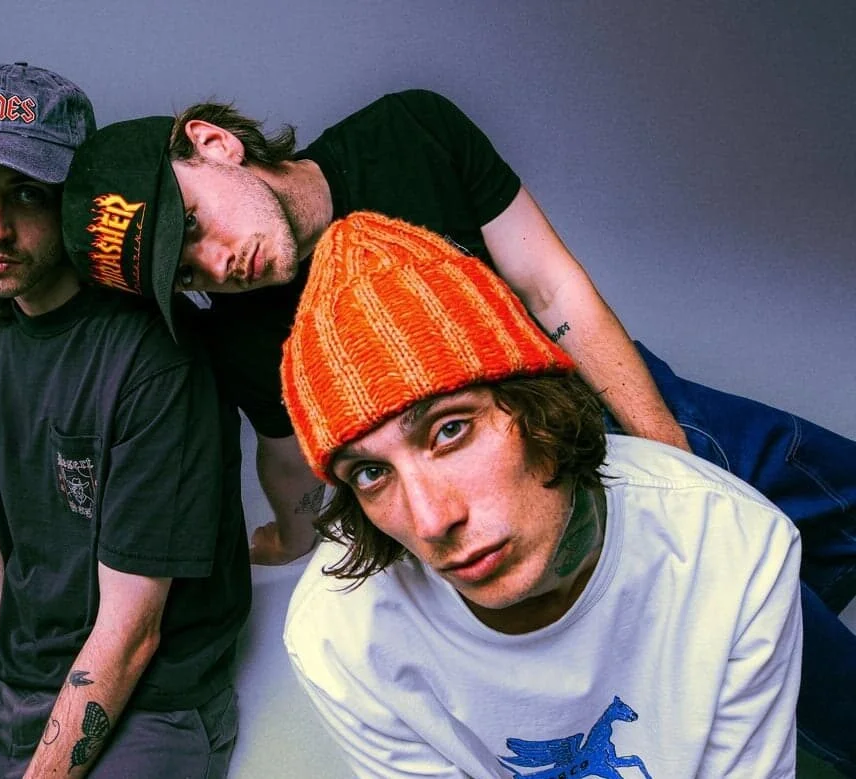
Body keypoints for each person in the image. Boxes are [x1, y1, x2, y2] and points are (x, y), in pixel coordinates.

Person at [59, 90, 856, 772]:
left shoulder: (410, 132)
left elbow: (552, 288)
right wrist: (291, 537)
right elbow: (297, 458)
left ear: (213, 143)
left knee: (799, 523)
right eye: (186, 273)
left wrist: (669, 469)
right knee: (817, 672)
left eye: (196, 225)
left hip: (604, 403)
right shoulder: (239, 337)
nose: (216, 265)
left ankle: (734, 675)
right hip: (500, 502)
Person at [283, 211, 803, 777]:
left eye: (450, 430)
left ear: (543, 408)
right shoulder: (339, 633)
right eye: (369, 473)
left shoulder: (730, 542)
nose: (431, 521)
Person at [0, 63, 250, 778]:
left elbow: (131, 633)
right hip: (11, 682)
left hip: (150, 701)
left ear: (75, 200)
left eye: (26, 194)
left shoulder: (154, 357)